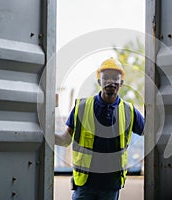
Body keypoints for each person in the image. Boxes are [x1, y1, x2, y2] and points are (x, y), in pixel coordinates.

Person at [55, 57, 145, 200]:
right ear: (99, 81)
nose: (111, 81)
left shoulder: (129, 111)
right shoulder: (82, 108)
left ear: (121, 82)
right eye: (106, 77)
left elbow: (150, 132)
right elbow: (65, 140)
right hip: (85, 185)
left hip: (111, 185)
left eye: (115, 77)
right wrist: (44, 132)